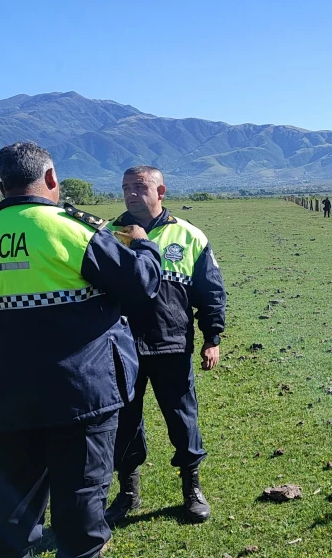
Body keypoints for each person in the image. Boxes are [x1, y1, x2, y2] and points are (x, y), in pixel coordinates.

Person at [0, 142, 161, 558]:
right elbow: (142, 285)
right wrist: (143, 244)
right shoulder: (69, 229)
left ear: (1, 185)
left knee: (14, 514)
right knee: (81, 514)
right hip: (79, 397)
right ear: (50, 179)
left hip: (4, 400)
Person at [106, 166, 227, 525]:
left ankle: (192, 490)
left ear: (161, 192)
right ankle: (128, 492)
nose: (131, 193)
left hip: (171, 344)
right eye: (126, 187)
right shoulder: (109, 235)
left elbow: (211, 291)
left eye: (140, 187)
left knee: (182, 419)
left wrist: (212, 337)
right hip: (120, 347)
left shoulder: (188, 236)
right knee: (123, 423)